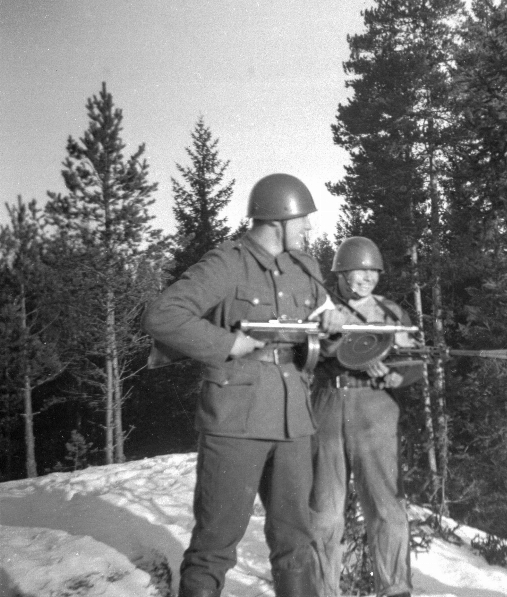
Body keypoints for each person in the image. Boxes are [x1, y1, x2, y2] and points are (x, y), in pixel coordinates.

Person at [143, 173, 344, 597]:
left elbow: (324, 344)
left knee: (296, 543)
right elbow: (163, 316)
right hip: (235, 422)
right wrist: (227, 343)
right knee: (215, 545)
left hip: (293, 422)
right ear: (279, 220)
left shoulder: (304, 269)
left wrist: (333, 329)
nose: (308, 228)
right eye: (303, 219)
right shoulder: (227, 263)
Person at [311, 236, 423, 597]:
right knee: (324, 512)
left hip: (375, 409)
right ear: (341, 272)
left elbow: (415, 359)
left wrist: (395, 375)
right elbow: (304, 352)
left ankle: (395, 589)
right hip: (328, 404)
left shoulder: (391, 312)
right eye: (358, 271)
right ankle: (322, 590)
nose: (366, 278)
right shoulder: (320, 307)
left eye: (373, 272)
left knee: (386, 506)